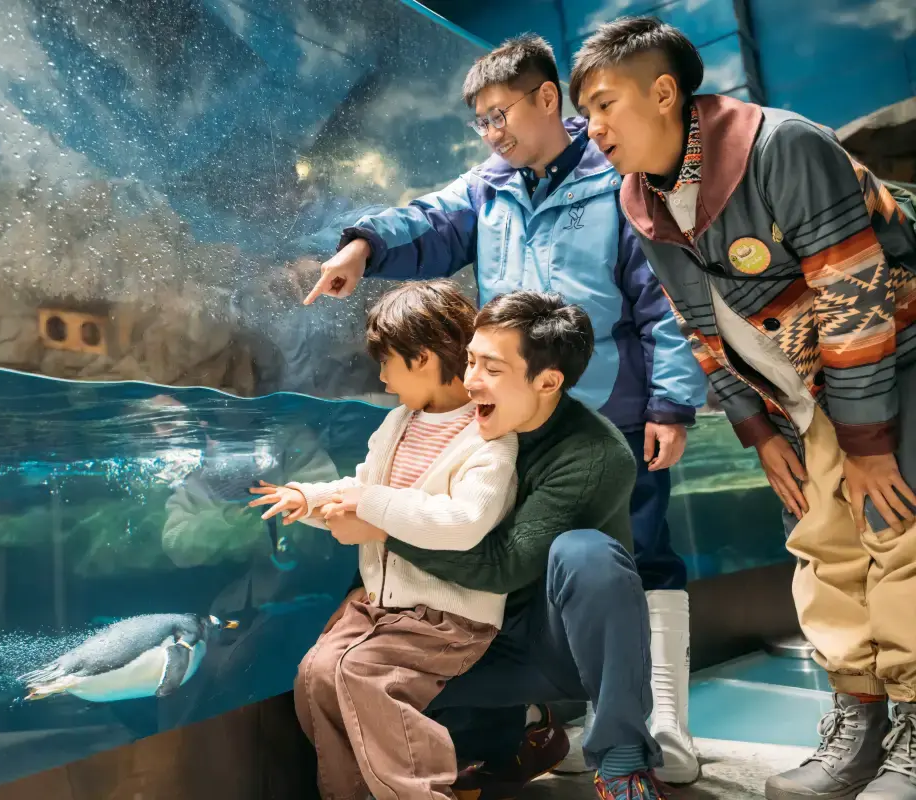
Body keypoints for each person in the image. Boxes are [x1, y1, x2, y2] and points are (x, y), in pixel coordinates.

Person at [301, 33, 707, 785]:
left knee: (637, 559)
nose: (491, 132)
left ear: (547, 98)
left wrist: (672, 401)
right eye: (481, 120)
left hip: (610, 409)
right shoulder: (488, 187)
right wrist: (362, 246)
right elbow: (428, 222)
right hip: (513, 417)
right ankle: (539, 725)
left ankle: (661, 725)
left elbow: (664, 300)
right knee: (523, 572)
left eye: (500, 114)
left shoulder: (618, 178)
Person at [569, 15, 916, 800]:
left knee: (898, 535)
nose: (592, 128)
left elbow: (855, 297)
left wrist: (868, 442)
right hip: (801, 395)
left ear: (664, 93)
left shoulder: (783, 146)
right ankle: (859, 725)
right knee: (823, 546)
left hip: (892, 363)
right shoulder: (643, 197)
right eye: (586, 112)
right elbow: (696, 326)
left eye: (603, 104)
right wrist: (758, 430)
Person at [317, 290, 670, 800]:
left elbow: (504, 564)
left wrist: (380, 528)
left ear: (547, 382)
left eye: (492, 368)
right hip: (456, 629)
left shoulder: (594, 454)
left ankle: (621, 761)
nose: (470, 380)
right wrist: (362, 593)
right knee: (346, 672)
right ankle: (515, 734)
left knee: (586, 554)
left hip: (545, 647)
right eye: (470, 361)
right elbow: (407, 504)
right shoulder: (445, 421)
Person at [247, 280, 521, 800]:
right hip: (381, 606)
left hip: (448, 617)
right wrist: (308, 498)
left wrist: (368, 503)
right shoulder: (398, 423)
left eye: (387, 362)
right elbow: (362, 487)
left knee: (360, 676)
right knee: (315, 675)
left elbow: (464, 521)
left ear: (422, 358)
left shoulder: (487, 437)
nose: (381, 377)